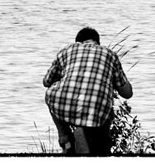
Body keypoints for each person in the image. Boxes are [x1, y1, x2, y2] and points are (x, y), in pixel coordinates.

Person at [43, 26, 133, 156]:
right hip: (97, 112)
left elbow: (46, 82)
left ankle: (64, 136)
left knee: (50, 94)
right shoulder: (109, 54)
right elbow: (127, 93)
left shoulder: (67, 50)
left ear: (78, 42)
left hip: (64, 104)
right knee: (105, 109)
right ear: (98, 42)